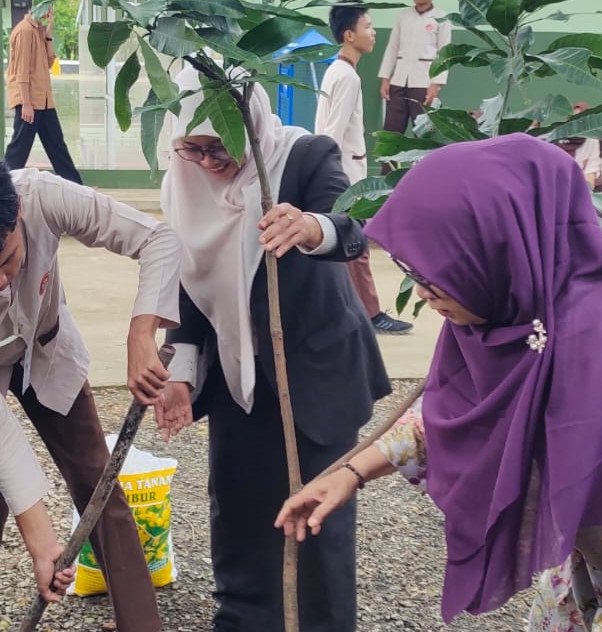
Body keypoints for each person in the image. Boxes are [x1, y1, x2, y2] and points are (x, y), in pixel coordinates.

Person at [277, 134, 602, 630]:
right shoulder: (518, 306)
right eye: (413, 273)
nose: (422, 294)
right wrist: (348, 475)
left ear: (498, 249)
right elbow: (459, 408)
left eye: (436, 276)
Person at [156, 66, 391, 631]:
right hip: (238, 375)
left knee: (318, 522)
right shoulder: (184, 186)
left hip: (315, 369)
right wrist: (180, 371)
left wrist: (312, 228)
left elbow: (352, 226)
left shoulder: (304, 156)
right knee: (237, 510)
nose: (209, 162)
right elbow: (189, 287)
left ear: (251, 125)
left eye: (221, 147)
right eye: (194, 149)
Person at [0, 148, 177, 631]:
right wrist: (42, 542)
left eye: (8, 260)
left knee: (99, 488)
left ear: (17, 213)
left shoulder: (41, 195)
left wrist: (142, 333)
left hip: (45, 348)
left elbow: (157, 238)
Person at [315, 1, 412, 335]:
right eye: (367, 27)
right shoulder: (347, 77)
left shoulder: (337, 71)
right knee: (355, 248)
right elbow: (332, 133)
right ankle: (370, 315)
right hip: (343, 177)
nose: (373, 33)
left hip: (339, 174)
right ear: (349, 35)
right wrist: (333, 179)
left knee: (346, 249)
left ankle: (352, 312)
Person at [4, 0, 83, 184]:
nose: (50, 11)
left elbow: (48, 63)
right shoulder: (24, 31)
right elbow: (21, 71)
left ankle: (76, 187)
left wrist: (48, 33)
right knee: (19, 149)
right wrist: (26, 104)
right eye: (47, 7)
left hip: (44, 101)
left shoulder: (38, 31)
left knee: (57, 145)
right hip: (30, 101)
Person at [378, 0, 451, 133]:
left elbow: (445, 52)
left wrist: (436, 84)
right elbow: (392, 48)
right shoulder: (403, 16)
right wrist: (385, 78)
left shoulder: (442, 18)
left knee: (423, 132)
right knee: (391, 129)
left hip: (424, 83)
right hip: (399, 81)